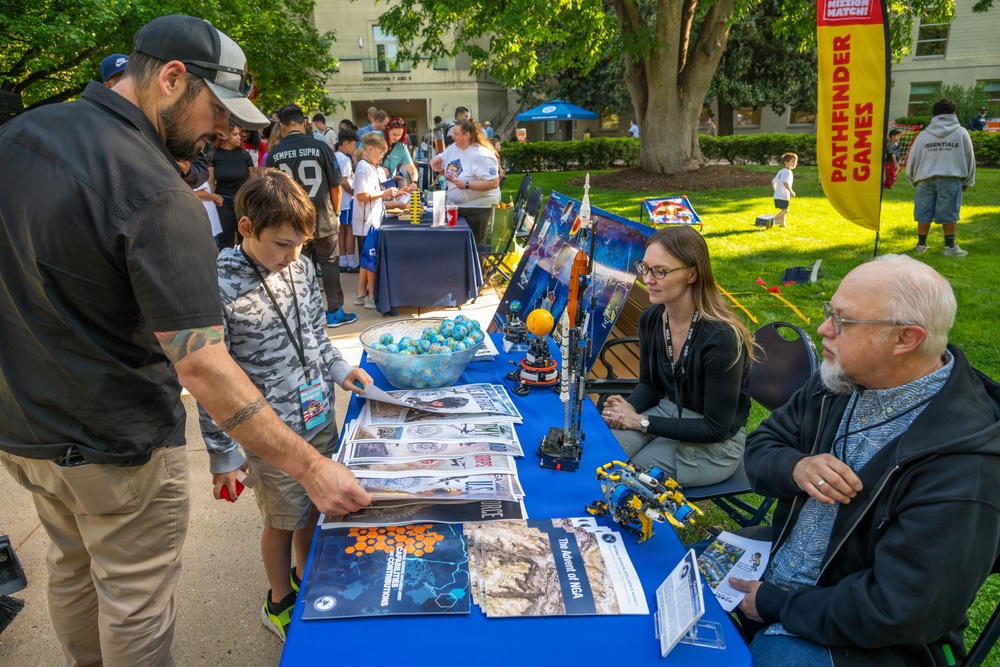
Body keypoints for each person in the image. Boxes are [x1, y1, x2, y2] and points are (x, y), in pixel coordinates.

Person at [0, 14, 371, 667]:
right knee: (134, 602)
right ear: (172, 78)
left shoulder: (22, 134)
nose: (225, 131)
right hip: (118, 444)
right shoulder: (155, 188)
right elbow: (202, 363)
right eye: (216, 109)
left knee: (72, 565)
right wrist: (312, 466)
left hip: (23, 429)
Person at [730, 254, 1000, 667]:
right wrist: (796, 467)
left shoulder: (964, 465)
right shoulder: (840, 380)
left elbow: (904, 610)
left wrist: (778, 605)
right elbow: (764, 445)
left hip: (873, 642)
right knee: (675, 576)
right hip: (783, 575)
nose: (823, 329)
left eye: (842, 321)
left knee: (773, 657)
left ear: (905, 339)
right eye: (829, 313)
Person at [199, 169, 373, 642]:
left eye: (300, 243)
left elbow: (317, 335)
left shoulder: (301, 265)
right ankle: (278, 599)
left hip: (317, 411)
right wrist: (224, 455)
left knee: (316, 507)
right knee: (282, 517)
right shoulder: (216, 284)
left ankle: (304, 573)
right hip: (269, 429)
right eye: (281, 244)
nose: (293, 255)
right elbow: (209, 377)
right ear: (246, 228)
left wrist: (340, 369)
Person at [600, 226, 754, 486]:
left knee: (626, 477)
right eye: (645, 268)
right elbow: (649, 385)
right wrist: (628, 410)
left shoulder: (721, 338)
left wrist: (642, 421)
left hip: (716, 443)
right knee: (600, 453)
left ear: (692, 274)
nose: (648, 279)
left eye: (660, 271)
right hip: (668, 413)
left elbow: (715, 428)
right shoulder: (652, 317)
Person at [266, 103, 357, 327]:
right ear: (305, 122)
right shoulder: (322, 147)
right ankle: (335, 313)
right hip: (323, 216)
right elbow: (336, 185)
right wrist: (336, 212)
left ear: (282, 125)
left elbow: (272, 192)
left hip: (293, 221)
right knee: (330, 264)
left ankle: (303, 315)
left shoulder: (275, 154)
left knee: (297, 269)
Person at [907, 98, 976, 257]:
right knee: (950, 211)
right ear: (953, 113)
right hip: (951, 177)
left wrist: (913, 178)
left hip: (925, 178)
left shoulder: (924, 135)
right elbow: (969, 157)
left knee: (923, 211)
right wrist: (968, 180)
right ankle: (949, 247)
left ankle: (921, 245)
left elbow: (913, 158)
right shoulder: (961, 133)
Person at [429, 118, 501, 243]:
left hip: (477, 208)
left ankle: (476, 263)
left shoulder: (481, 155)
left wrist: (467, 185)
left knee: (475, 244)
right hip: (459, 206)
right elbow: (439, 162)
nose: (452, 137)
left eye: (456, 134)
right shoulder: (454, 148)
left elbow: (493, 183)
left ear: (467, 135)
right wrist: (434, 163)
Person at [353, 132, 398, 309]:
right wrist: (385, 193)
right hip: (366, 222)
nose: (382, 157)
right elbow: (362, 196)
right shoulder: (363, 168)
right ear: (369, 149)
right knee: (371, 259)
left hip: (371, 220)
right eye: (380, 153)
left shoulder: (369, 166)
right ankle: (371, 295)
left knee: (366, 260)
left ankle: (361, 293)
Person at [209, 120, 256, 249]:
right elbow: (210, 182)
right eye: (235, 134)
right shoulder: (214, 155)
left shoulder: (244, 155)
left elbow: (253, 179)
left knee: (246, 237)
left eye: (239, 134)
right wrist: (212, 200)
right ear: (224, 135)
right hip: (223, 201)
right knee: (225, 237)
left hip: (243, 201)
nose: (239, 138)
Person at [334, 127, 359, 273]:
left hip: (337, 201)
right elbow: (343, 180)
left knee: (341, 231)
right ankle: (351, 261)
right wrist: (354, 193)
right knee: (349, 230)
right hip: (346, 200)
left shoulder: (334, 156)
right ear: (346, 144)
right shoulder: (345, 160)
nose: (355, 148)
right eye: (354, 145)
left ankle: (342, 260)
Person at [383, 116, 418, 182]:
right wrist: (379, 169)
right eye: (394, 134)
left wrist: (414, 182)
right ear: (388, 130)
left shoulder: (401, 147)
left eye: (399, 135)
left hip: (388, 182)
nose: (396, 138)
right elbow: (361, 157)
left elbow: (412, 170)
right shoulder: (377, 137)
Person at [771, 152, 797, 227]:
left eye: (795, 161)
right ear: (786, 162)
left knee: (783, 209)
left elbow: (773, 182)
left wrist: (775, 189)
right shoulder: (788, 172)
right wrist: (791, 191)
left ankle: (783, 224)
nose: (794, 163)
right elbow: (785, 182)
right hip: (783, 195)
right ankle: (773, 220)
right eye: (792, 161)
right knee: (786, 210)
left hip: (777, 195)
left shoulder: (780, 171)